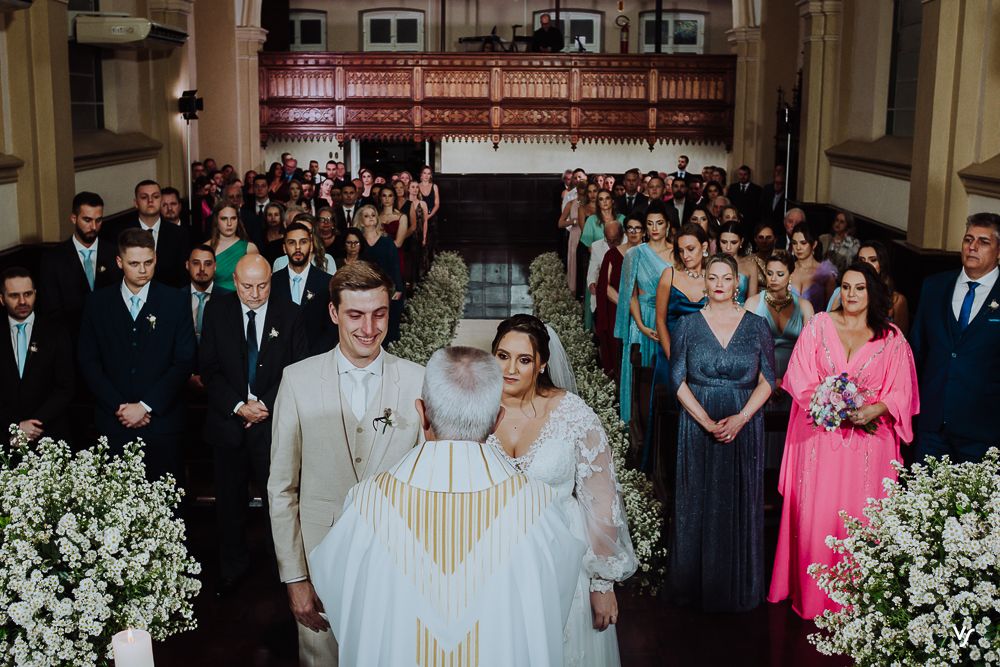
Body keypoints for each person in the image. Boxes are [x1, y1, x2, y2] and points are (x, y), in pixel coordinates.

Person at [310, 346, 583, 666]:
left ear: (422, 413)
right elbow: (554, 601)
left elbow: (338, 591)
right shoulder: (536, 505)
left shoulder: (368, 502)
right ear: (497, 419)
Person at [268, 261, 425, 665]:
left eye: (379, 314)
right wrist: (296, 578)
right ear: (334, 313)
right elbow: (282, 488)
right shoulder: (297, 380)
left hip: (397, 567)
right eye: (355, 315)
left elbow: (429, 485)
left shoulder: (417, 381)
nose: (369, 328)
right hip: (320, 567)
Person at [768, 262, 919, 619]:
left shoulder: (892, 338)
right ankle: (812, 598)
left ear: (873, 292)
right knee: (816, 518)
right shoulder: (819, 325)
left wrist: (873, 409)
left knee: (859, 520)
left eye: (860, 288)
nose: (851, 295)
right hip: (820, 440)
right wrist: (825, 403)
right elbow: (800, 376)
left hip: (869, 444)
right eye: (847, 287)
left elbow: (902, 393)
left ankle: (856, 601)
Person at [487, 315, 636, 666]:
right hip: (494, 560)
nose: (510, 369)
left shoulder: (573, 414)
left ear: (542, 364)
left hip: (563, 559)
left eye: (523, 360)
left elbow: (601, 501)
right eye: (502, 356)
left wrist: (602, 582)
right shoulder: (476, 408)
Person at [668, 254, 775, 612]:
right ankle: (694, 588)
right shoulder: (686, 325)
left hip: (744, 425)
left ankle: (737, 587)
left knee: (739, 500)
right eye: (712, 277)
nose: (718, 283)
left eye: (726, 278)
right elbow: (678, 381)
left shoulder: (758, 325)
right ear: (705, 283)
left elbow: (768, 380)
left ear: (736, 284)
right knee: (696, 500)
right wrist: (706, 422)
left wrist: (741, 418)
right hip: (697, 424)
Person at [199, 254, 307, 596]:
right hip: (228, 424)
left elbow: (298, 369)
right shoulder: (217, 311)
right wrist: (238, 406)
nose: (256, 293)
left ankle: (284, 572)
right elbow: (209, 369)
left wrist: (265, 406)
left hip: (272, 426)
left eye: (262, 285)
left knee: (278, 503)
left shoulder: (290, 313)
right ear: (235, 281)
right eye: (248, 286)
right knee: (229, 504)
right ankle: (233, 568)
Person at [77, 228, 196, 484]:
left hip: (162, 423)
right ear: (119, 262)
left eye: (148, 262)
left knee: (167, 505)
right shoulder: (97, 303)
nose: (142, 270)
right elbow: (88, 361)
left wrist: (145, 405)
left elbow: (184, 360)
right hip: (113, 421)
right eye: (134, 263)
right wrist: (120, 407)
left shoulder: (175, 301)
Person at [911, 212, 1000, 465]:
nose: (972, 247)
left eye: (983, 242)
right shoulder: (934, 286)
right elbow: (917, 351)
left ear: (999, 251)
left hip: (984, 433)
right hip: (931, 425)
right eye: (968, 239)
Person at [645, 224, 710, 469]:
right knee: (670, 416)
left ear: (704, 247)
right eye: (681, 250)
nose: (686, 255)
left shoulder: (714, 277)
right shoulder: (669, 276)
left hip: (705, 359)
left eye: (691, 249)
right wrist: (674, 358)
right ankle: (666, 468)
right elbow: (660, 321)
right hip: (671, 355)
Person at [614, 201, 674, 425]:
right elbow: (630, 294)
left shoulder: (676, 253)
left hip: (668, 318)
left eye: (659, 223)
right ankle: (636, 428)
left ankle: (662, 428)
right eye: (650, 224)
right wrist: (639, 325)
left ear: (667, 225)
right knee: (641, 374)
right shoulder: (634, 254)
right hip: (643, 320)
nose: (654, 228)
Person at [0, 267, 74, 444]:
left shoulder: (56, 332)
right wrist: (16, 426)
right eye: (14, 295)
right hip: (6, 436)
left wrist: (33, 424)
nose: (23, 301)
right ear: (2, 299)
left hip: (49, 433)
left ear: (35, 293)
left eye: (28, 294)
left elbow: (66, 387)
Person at [38, 191, 121, 334]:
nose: (94, 227)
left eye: (99, 220)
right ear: (73, 218)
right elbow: (51, 309)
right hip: (70, 338)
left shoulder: (115, 253)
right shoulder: (53, 259)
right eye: (87, 220)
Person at [270, 223, 337, 356]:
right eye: (291, 242)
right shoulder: (272, 282)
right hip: (279, 360)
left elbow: (332, 329)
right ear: (284, 248)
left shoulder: (327, 282)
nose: (298, 247)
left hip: (317, 360)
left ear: (311, 246)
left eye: (303, 242)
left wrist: (311, 358)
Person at [827, 240, 909, 334]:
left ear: (882, 264)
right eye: (862, 260)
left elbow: (900, 340)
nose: (866, 264)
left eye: (873, 260)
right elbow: (828, 328)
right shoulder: (841, 292)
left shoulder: (897, 300)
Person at [596, 216, 643, 378]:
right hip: (617, 311)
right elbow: (604, 286)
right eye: (630, 228)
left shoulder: (648, 255)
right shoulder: (612, 254)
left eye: (637, 228)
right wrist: (627, 305)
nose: (633, 232)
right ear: (625, 232)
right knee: (617, 354)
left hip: (644, 312)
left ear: (644, 231)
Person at [354, 205, 404, 344]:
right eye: (366, 216)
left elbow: (395, 267)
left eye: (373, 215)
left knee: (387, 328)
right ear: (361, 220)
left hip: (385, 290)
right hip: (363, 291)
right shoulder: (357, 242)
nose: (371, 218)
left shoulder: (387, 242)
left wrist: (398, 289)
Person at [127, 180, 191, 288]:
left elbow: (184, 275)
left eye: (155, 196)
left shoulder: (179, 234)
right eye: (144, 197)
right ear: (136, 203)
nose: (150, 201)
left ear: (160, 200)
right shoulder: (124, 233)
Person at [208, 200, 259, 292]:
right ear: (216, 220)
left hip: (242, 300)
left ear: (238, 220)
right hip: (214, 300)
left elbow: (257, 280)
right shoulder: (206, 248)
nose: (229, 223)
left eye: (233, 218)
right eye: (224, 218)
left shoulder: (250, 248)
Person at [788, 223, 836, 313]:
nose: (798, 247)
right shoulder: (787, 269)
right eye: (794, 243)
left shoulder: (825, 273)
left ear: (814, 244)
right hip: (787, 325)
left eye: (803, 243)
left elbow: (831, 311)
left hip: (815, 325)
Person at [717, 221, 759, 304]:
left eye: (733, 242)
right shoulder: (711, 264)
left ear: (741, 241)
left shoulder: (750, 266)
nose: (728, 247)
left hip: (742, 313)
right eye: (724, 242)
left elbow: (752, 301)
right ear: (718, 241)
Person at [185, 245, 216, 343]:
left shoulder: (229, 298)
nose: (202, 268)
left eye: (208, 264)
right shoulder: (175, 298)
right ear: (187, 265)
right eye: (196, 263)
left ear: (215, 266)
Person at [818, 210, 860, 274]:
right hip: (822, 273)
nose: (838, 224)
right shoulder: (824, 238)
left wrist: (846, 241)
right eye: (837, 220)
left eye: (842, 222)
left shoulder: (854, 243)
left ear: (848, 225)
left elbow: (848, 263)